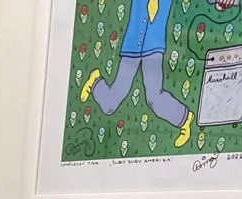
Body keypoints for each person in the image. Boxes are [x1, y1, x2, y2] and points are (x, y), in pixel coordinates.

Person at [80, 0, 238, 150]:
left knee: (154, 97)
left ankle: (184, 118)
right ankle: (96, 81)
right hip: (131, 48)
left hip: (154, 49)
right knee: (110, 104)